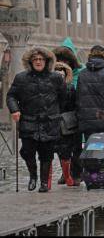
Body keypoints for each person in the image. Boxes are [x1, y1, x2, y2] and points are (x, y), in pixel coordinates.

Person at [6, 47, 66, 192]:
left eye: (41, 59)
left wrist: (55, 112)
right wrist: (15, 110)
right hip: (28, 121)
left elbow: (63, 98)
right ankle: (33, 176)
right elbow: (11, 96)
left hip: (49, 122)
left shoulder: (56, 78)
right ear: (30, 62)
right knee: (27, 152)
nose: (38, 62)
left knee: (46, 154)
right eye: (35, 59)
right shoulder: (21, 78)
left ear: (46, 61)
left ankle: (44, 182)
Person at [52, 37, 86, 185]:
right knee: (61, 147)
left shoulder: (81, 73)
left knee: (76, 146)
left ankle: (77, 173)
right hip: (59, 115)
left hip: (75, 114)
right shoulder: (52, 74)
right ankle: (65, 173)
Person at [54, 62, 77, 186]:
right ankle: (47, 181)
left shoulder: (70, 87)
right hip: (51, 122)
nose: (59, 77)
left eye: (62, 75)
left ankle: (67, 175)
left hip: (66, 123)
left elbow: (74, 105)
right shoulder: (48, 88)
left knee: (66, 151)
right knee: (50, 151)